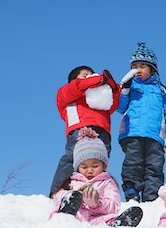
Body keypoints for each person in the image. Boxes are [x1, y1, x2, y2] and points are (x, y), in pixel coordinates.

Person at [117, 42, 166, 202]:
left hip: (155, 136)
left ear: (152, 69)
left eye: (142, 66)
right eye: (134, 66)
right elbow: (119, 108)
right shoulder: (129, 87)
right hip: (133, 133)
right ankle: (132, 193)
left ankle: (152, 198)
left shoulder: (162, 90)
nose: (138, 70)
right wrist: (123, 90)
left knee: (154, 167)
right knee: (133, 163)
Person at [49, 65, 120, 197]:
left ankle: (97, 192)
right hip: (79, 128)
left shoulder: (98, 96)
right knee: (71, 159)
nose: (90, 77)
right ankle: (59, 191)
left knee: (99, 162)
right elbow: (77, 86)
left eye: (91, 74)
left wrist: (112, 87)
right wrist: (97, 80)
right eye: (85, 75)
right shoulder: (67, 92)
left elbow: (113, 101)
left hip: (102, 131)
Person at [50, 127, 143, 227]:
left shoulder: (107, 183)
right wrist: (74, 195)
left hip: (98, 221)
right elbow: (56, 196)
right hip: (76, 218)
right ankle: (66, 215)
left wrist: (97, 203)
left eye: (95, 166)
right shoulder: (73, 181)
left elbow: (114, 206)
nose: (90, 170)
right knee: (64, 209)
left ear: (104, 166)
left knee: (109, 219)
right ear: (77, 167)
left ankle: (116, 225)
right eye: (84, 167)